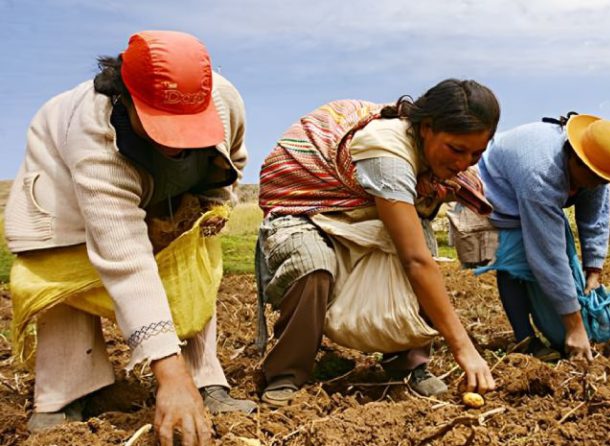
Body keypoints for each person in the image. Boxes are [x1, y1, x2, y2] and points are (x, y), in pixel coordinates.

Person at [5, 30, 255, 443]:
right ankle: (64, 395)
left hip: (166, 190)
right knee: (63, 272)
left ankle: (204, 379)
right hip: (61, 192)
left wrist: (210, 204)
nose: (176, 146)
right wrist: (165, 373)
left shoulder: (223, 100)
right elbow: (125, 260)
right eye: (163, 125)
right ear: (127, 99)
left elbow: (234, 157)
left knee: (192, 259)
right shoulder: (95, 138)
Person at [256, 79, 500, 408]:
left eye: (476, 153)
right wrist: (463, 347)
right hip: (309, 209)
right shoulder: (387, 153)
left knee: (422, 241)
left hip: (364, 211)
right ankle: (287, 373)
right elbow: (415, 261)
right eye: (457, 149)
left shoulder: (438, 165)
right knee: (310, 264)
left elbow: (415, 249)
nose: (464, 163)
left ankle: (408, 364)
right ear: (426, 128)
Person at [476, 113, 610, 361]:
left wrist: (594, 270)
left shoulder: (596, 167)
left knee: (562, 273)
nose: (599, 185)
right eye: (595, 179)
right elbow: (549, 256)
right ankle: (525, 340)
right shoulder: (541, 175)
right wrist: (574, 328)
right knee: (513, 263)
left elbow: (595, 217)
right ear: (575, 160)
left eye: (604, 181)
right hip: (495, 191)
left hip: (529, 188)